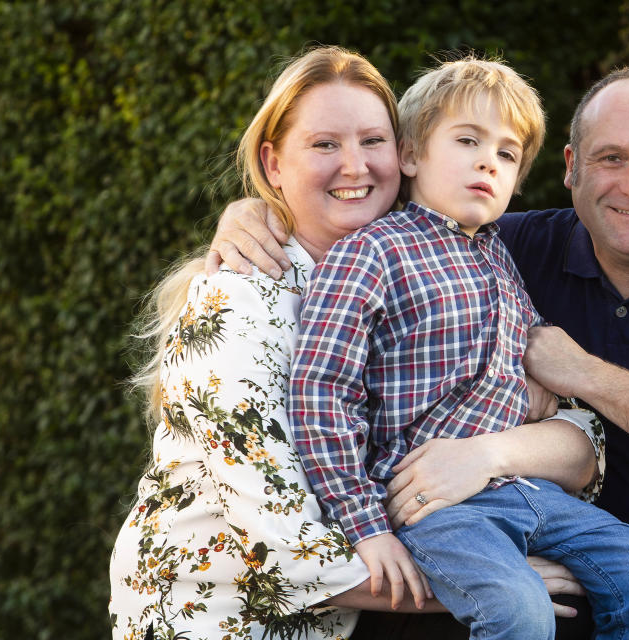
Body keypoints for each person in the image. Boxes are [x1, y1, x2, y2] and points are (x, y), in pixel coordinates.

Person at [210, 65, 629, 639]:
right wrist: (261, 212)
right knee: (520, 606)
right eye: (611, 158)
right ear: (571, 169)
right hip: (496, 517)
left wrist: (580, 376)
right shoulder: (506, 245)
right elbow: (382, 197)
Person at [109, 46, 602, 640]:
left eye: (373, 142)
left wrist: (496, 453)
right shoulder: (237, 304)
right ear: (273, 164)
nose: (356, 166)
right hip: (216, 618)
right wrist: (501, 582)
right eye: (324, 145)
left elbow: (584, 441)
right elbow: (284, 537)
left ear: (409, 155)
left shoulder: (449, 266)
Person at [286, 56, 629, 640]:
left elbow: (530, 343)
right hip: (435, 508)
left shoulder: (500, 254)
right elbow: (321, 391)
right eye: (468, 140)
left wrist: (539, 374)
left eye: (506, 153)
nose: (487, 161)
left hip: (526, 490)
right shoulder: (371, 253)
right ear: (411, 155)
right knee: (518, 610)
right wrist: (365, 525)